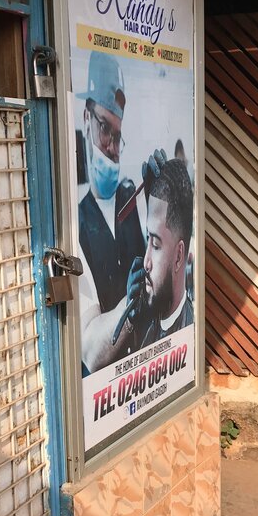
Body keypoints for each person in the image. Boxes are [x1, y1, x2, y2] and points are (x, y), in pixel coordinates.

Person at [76, 51, 147, 373]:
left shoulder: (132, 202)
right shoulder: (75, 221)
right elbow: (91, 353)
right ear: (86, 118)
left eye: (118, 137)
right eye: (105, 129)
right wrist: (127, 307)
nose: (112, 148)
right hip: (105, 385)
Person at [136, 157, 194, 346]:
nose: (146, 263)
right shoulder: (149, 329)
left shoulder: (188, 333)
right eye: (148, 239)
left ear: (178, 257)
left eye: (156, 245)